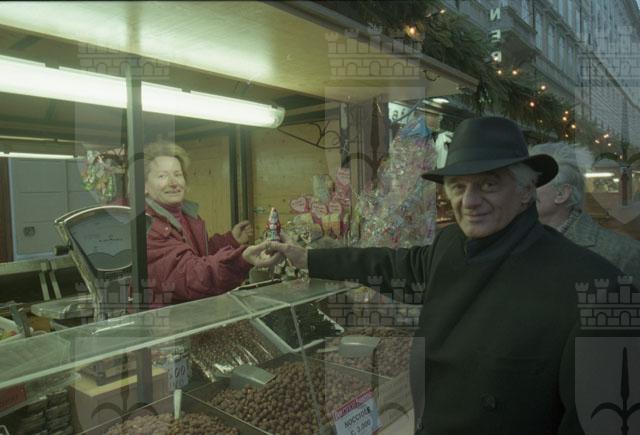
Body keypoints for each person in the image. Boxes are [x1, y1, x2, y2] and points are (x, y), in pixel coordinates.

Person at [256, 117, 631, 435]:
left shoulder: (600, 289)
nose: (469, 201)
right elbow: (388, 265)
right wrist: (307, 258)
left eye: (488, 184)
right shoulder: (451, 244)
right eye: (458, 186)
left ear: (526, 190)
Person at [143, 141, 280, 308]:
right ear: (144, 186)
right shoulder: (146, 227)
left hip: (189, 314)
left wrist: (230, 240)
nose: (173, 182)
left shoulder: (186, 216)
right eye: (162, 176)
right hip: (165, 320)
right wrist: (240, 260)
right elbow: (189, 275)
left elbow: (196, 256)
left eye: (178, 174)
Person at [530, 142, 640, 285]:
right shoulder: (512, 235)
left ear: (561, 194)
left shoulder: (623, 254)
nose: (520, 190)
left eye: (533, 183)